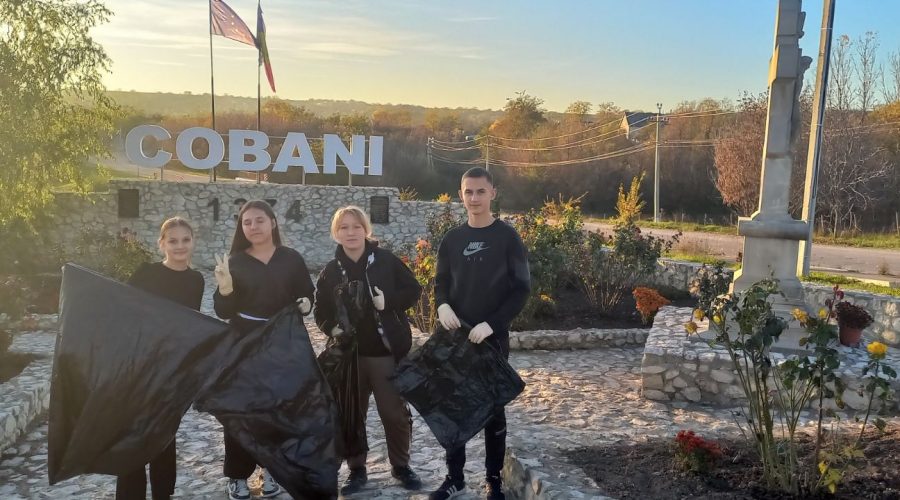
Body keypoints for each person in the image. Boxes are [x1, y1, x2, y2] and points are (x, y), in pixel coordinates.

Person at [429, 167, 531, 500]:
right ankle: (454, 478)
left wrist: (494, 323)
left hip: (492, 339)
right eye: (468, 192)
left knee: (493, 411)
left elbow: (520, 289)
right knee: (453, 408)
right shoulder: (452, 239)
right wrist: (442, 305)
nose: (474, 198)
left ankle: (493, 481)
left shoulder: (507, 238)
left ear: (492, 194)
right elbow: (440, 282)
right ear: (461, 194)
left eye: (480, 192)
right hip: (456, 340)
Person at [314, 206, 423, 495]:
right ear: (336, 234)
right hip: (348, 356)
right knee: (351, 414)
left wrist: (388, 303)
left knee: (395, 413)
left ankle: (401, 466)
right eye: (344, 228)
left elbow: (414, 289)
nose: (351, 232)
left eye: (356, 226)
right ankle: (357, 470)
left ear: (366, 230)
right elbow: (320, 310)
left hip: (384, 352)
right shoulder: (329, 271)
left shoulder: (385, 261)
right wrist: (331, 329)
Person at [212, 200, 315, 500]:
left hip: (283, 341)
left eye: (259, 220)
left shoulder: (290, 258)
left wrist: (306, 303)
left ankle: (272, 469)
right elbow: (222, 311)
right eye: (247, 222)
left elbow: (306, 291)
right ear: (241, 228)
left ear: (272, 222)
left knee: (279, 407)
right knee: (241, 408)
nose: (253, 227)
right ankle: (237, 475)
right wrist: (226, 288)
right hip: (245, 342)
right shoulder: (235, 262)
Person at [116, 217, 205, 500]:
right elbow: (123, 309)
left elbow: (188, 325)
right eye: (173, 240)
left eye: (185, 240)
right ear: (161, 244)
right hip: (139, 367)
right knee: (132, 440)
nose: (180, 246)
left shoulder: (196, 280)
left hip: (171, 373)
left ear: (193, 242)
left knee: (163, 441)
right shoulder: (146, 273)